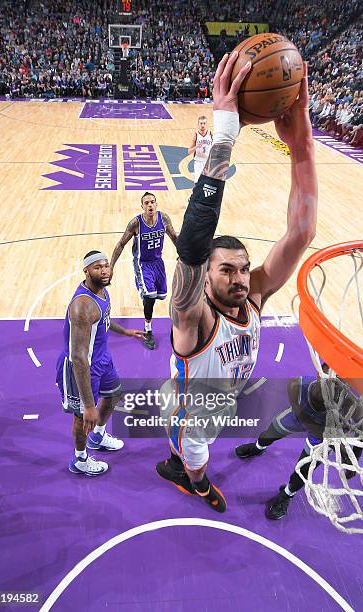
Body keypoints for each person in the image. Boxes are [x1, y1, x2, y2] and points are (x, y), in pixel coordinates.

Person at [156, 52, 318, 513]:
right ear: (205, 276)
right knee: (196, 461)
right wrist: (225, 135)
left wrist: (302, 143)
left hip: (213, 397)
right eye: (227, 269)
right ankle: (194, 484)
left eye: (244, 268)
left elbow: (301, 233)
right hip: (194, 418)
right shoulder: (193, 317)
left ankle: (179, 458)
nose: (241, 278)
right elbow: (189, 248)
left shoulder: (256, 296)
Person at [56, 251, 144, 476]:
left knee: (113, 395)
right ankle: (80, 459)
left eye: (106, 265)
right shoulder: (82, 306)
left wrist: (124, 331)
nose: (104, 270)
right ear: (86, 271)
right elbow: (78, 358)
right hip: (82, 367)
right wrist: (88, 405)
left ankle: (98, 436)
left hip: (102, 358)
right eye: (97, 267)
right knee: (82, 418)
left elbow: (104, 318)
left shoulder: (102, 292)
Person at [235, 370, 362, 519]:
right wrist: (338, 446)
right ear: (319, 374)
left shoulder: (350, 404)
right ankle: (258, 448)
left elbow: (361, 430)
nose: (334, 382)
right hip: (304, 419)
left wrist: (354, 458)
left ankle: (287, 494)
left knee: (305, 469)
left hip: (324, 433)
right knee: (270, 432)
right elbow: (308, 421)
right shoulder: (298, 385)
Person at [110, 192, 177, 350]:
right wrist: (111, 266)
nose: (150, 205)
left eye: (152, 202)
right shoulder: (136, 223)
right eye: (146, 203)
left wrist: (183, 254)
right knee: (149, 296)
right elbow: (121, 244)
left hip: (158, 263)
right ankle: (148, 330)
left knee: (161, 295)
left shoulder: (164, 219)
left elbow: (174, 237)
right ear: (142, 207)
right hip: (143, 264)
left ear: (156, 204)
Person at [188, 115, 213, 183]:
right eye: (201, 123)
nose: (202, 125)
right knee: (197, 182)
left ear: (206, 124)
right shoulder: (196, 135)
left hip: (208, 162)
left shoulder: (210, 133)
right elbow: (189, 151)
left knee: (208, 183)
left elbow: (215, 147)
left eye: (204, 123)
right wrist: (196, 146)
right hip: (198, 161)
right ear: (198, 124)